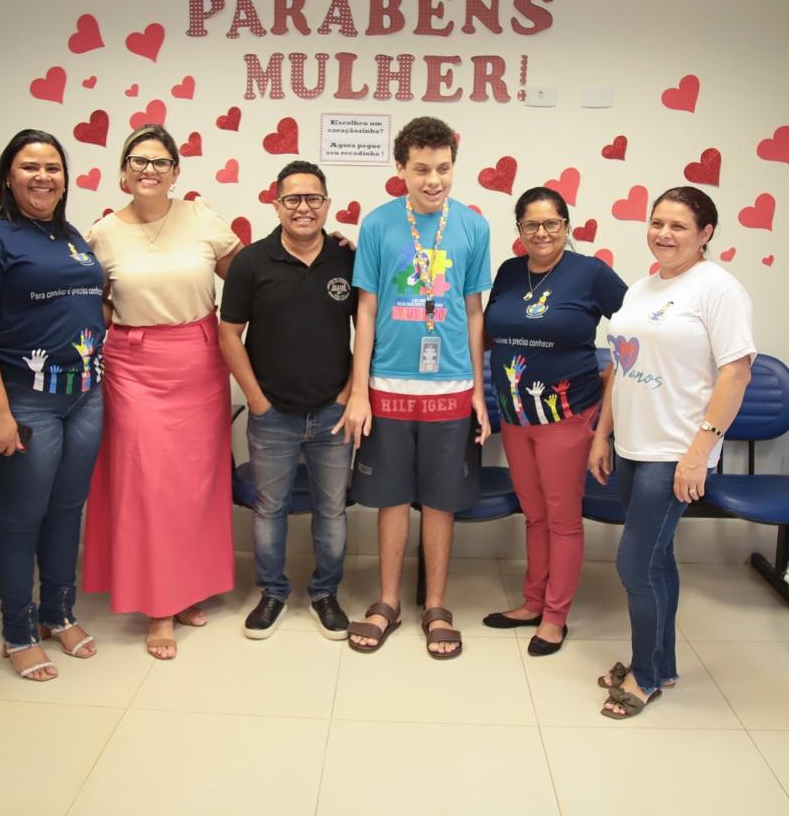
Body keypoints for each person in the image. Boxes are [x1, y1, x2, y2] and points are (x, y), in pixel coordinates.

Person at [590, 186, 754, 718]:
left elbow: (737, 371)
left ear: (706, 233)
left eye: (679, 226)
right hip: (634, 443)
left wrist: (698, 453)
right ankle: (662, 664)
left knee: (634, 564)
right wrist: (602, 434)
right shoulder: (642, 287)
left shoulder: (717, 289)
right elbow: (621, 365)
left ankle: (645, 675)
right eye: (657, 222)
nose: (664, 233)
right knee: (657, 559)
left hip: (676, 450)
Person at [82, 124, 241, 660]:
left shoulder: (202, 219)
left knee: (196, 484)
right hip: (132, 366)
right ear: (124, 171)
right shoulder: (102, 233)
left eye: (160, 162)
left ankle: (188, 588)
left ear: (176, 172)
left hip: (198, 360)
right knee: (148, 485)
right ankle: (159, 607)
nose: (149, 169)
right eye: (138, 161)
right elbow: (93, 304)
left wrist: (323, 251)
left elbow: (247, 280)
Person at [0, 129, 105, 682]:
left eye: (53, 168)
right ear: (7, 176)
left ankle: (57, 612)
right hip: (24, 400)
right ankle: (17, 631)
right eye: (30, 167)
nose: (43, 177)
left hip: (86, 394)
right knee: (20, 518)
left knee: (67, 512)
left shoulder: (70, 236)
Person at [340, 116, 492, 659]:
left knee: (443, 502)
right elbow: (367, 308)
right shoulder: (378, 225)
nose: (434, 180)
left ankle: (435, 604)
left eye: (444, 168)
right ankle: (387, 601)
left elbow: (474, 312)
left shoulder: (474, 226)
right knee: (391, 499)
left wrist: (476, 387)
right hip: (387, 386)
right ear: (400, 168)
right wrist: (359, 391)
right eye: (422, 169)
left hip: (450, 387)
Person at [482, 187, 626, 655]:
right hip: (515, 415)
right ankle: (531, 602)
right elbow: (485, 335)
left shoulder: (591, 274)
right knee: (535, 514)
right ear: (519, 230)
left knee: (563, 519)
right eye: (531, 225)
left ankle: (555, 616)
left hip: (567, 415)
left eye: (552, 224)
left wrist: (614, 375)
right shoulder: (508, 272)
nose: (541, 233)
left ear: (567, 226)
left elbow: (637, 332)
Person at [219, 160, 356, 641]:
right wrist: (255, 401)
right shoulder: (251, 263)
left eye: (313, 198)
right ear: (276, 204)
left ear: (326, 204)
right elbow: (229, 335)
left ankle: (325, 593)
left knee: (332, 511)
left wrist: (349, 393)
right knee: (269, 509)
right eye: (293, 199)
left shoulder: (348, 259)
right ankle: (272, 592)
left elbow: (372, 329)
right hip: (271, 414)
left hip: (333, 414)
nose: (303, 207)